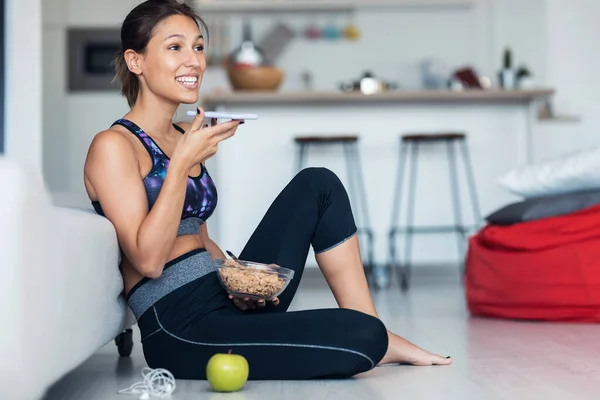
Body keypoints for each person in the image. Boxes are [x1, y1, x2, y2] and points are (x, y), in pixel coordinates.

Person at [84, 0, 452, 381]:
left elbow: (198, 238)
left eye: (198, 46)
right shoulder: (114, 145)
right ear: (136, 61)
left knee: (318, 184)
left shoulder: (183, 136)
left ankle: (378, 331)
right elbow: (148, 261)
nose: (193, 61)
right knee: (362, 338)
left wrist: (239, 281)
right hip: (180, 325)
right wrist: (180, 165)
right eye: (175, 47)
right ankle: (375, 336)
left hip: (221, 295)